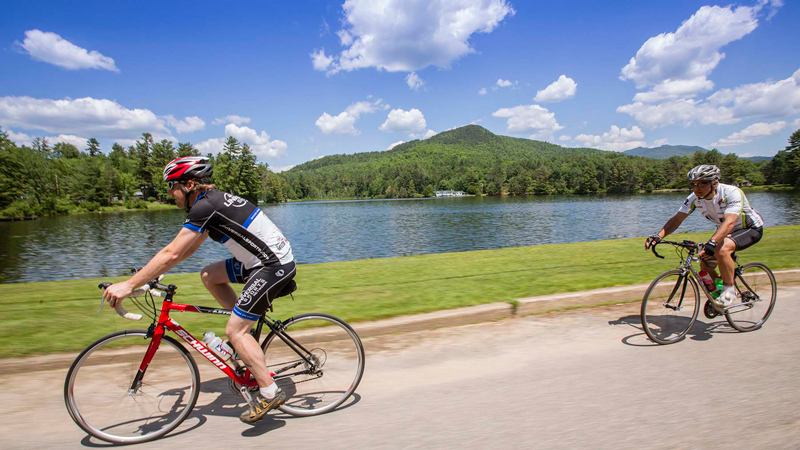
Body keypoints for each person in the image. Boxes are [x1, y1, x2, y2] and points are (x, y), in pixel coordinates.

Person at [102, 156, 296, 424]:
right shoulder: (209, 204)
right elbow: (187, 249)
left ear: (189, 184)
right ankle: (244, 335)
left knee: (235, 330)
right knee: (208, 275)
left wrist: (128, 285)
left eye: (172, 186)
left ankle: (269, 391)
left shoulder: (206, 207)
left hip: (272, 266)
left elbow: (171, 253)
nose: (169, 193)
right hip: (261, 262)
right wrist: (148, 277)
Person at [644, 164, 764, 308]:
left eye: (702, 183)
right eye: (694, 184)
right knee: (704, 262)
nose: (697, 188)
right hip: (724, 231)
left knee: (722, 250)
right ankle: (717, 291)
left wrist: (712, 242)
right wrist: (658, 236)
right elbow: (677, 219)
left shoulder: (731, 192)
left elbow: (730, 221)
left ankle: (729, 292)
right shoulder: (694, 198)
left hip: (749, 228)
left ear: (715, 183)